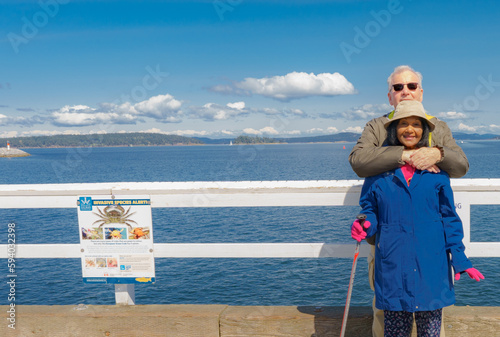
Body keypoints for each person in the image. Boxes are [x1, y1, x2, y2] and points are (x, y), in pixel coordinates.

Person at [348, 65, 470, 337]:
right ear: (389, 95)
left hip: (428, 242)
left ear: (421, 92)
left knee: (430, 310)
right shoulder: (377, 126)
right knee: (386, 310)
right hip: (388, 241)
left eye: (411, 86)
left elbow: (461, 165)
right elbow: (358, 161)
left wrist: (437, 153)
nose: (406, 91)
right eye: (398, 87)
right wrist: (404, 155)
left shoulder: (438, 126)